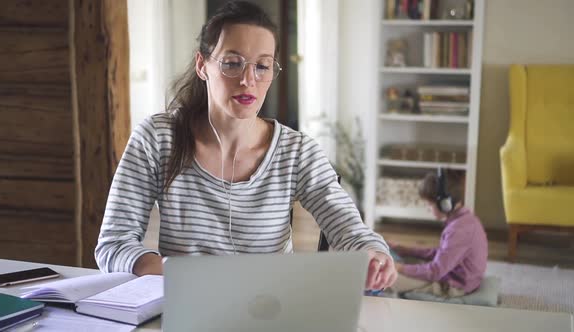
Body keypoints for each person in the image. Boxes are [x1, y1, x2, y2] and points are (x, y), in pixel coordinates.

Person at [94, 1, 397, 292]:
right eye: (232, 63)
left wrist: (373, 254)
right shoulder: (157, 138)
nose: (248, 80)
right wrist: (173, 273)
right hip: (186, 307)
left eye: (262, 66)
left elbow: (349, 229)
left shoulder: (297, 151)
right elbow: (113, 244)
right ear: (202, 66)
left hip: (271, 310)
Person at [389, 169, 488, 298]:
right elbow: (441, 254)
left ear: (445, 204)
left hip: (454, 286)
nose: (428, 208)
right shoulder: (463, 220)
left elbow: (436, 271)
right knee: (405, 261)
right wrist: (404, 250)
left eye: (430, 204)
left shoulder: (459, 230)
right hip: (450, 273)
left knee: (389, 279)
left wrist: (400, 268)